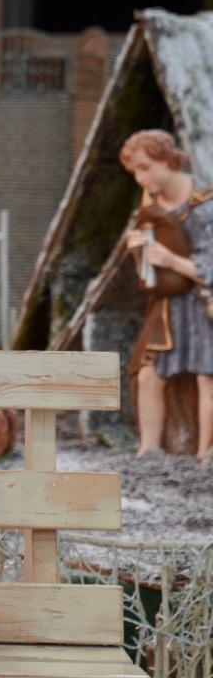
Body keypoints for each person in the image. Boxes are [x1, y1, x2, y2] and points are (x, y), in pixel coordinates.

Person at [120, 129, 213, 465]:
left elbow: (210, 266)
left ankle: (206, 453)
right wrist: (139, 255)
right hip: (169, 308)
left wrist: (173, 261)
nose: (140, 179)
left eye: (145, 168)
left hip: (203, 304)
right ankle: (149, 451)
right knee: (149, 374)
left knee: (207, 376)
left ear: (169, 162)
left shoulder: (204, 205)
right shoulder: (151, 209)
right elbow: (150, 280)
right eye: (135, 172)